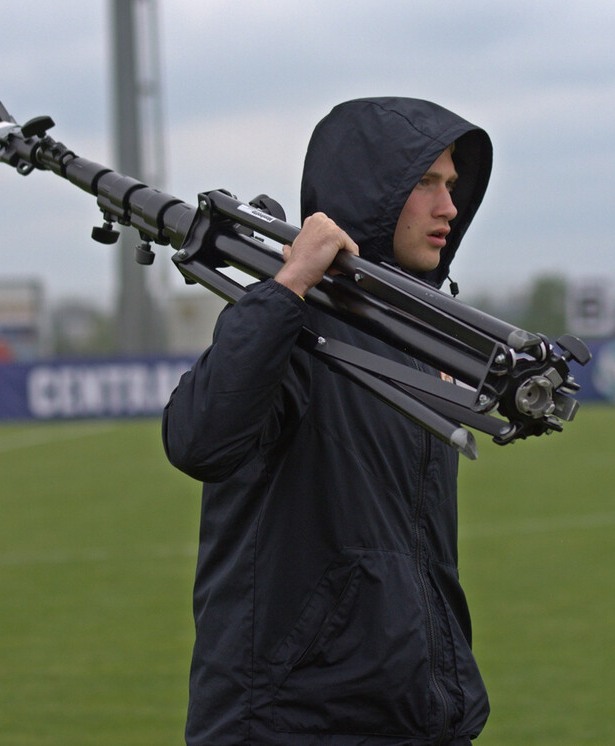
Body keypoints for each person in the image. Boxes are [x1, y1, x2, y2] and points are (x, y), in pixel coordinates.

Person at [162, 97, 493, 745]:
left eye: (452, 186)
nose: (448, 207)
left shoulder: (421, 340)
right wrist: (286, 289)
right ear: (372, 188)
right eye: (426, 183)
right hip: (293, 721)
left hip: (415, 712)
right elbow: (197, 440)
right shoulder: (295, 329)